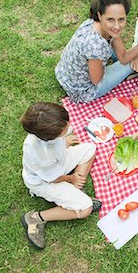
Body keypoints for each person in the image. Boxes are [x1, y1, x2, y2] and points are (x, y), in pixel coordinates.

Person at [20, 102, 100, 249]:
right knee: (85, 209)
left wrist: (64, 142)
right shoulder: (41, 154)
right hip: (45, 182)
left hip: (58, 163)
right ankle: (36, 218)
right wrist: (71, 178)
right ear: (50, 137)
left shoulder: (48, 129)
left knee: (90, 149)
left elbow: (61, 134)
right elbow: (53, 178)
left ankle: (75, 193)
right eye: (65, 127)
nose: (69, 125)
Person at [55, 0, 138, 104]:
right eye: (111, 19)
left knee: (128, 57)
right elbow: (96, 80)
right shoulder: (97, 47)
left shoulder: (93, 23)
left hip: (63, 73)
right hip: (82, 91)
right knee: (135, 61)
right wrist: (103, 61)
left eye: (121, 19)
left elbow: (123, 56)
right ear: (100, 15)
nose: (117, 26)